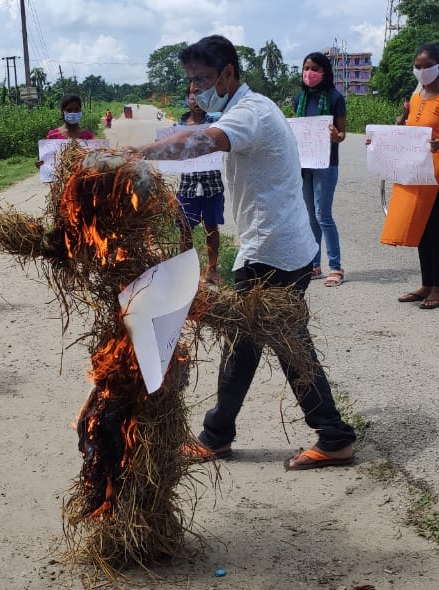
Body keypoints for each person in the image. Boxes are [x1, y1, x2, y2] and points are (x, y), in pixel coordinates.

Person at [134, 35, 356, 470]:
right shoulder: (243, 108)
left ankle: (332, 436)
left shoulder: (250, 112)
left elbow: (202, 141)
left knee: (283, 345)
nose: (195, 89)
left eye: (202, 79)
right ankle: (221, 434)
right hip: (276, 245)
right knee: (249, 343)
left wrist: (137, 155)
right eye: (190, 81)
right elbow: (203, 131)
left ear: (228, 74)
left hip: (271, 251)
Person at [378, 43, 439, 310]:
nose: (422, 70)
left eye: (427, 65)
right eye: (418, 66)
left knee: (435, 231)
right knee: (421, 229)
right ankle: (426, 283)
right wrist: (401, 121)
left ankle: (437, 287)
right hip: (413, 170)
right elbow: (409, 133)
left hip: (435, 173)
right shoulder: (416, 98)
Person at [293, 51, 348, 286]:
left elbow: (342, 134)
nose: (309, 73)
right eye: (306, 68)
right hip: (304, 164)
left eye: (315, 68)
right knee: (309, 217)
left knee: (323, 214)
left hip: (326, 163)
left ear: (324, 72)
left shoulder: (335, 98)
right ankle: (314, 265)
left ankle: (335, 267)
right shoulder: (299, 99)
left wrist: (336, 135)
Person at [175, 87, 225, 285]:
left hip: (211, 183)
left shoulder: (216, 123)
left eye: (201, 97)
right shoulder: (178, 126)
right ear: (187, 99)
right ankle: (185, 271)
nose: (196, 101)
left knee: (211, 227)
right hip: (187, 184)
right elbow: (172, 149)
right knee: (185, 229)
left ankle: (211, 270)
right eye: (193, 97)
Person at [36, 94, 96, 170]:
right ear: (62, 111)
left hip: (84, 180)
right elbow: (45, 160)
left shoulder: (88, 136)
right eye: (69, 110)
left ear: (80, 110)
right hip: (59, 181)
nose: (73, 112)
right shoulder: (53, 135)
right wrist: (40, 163)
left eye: (76, 109)